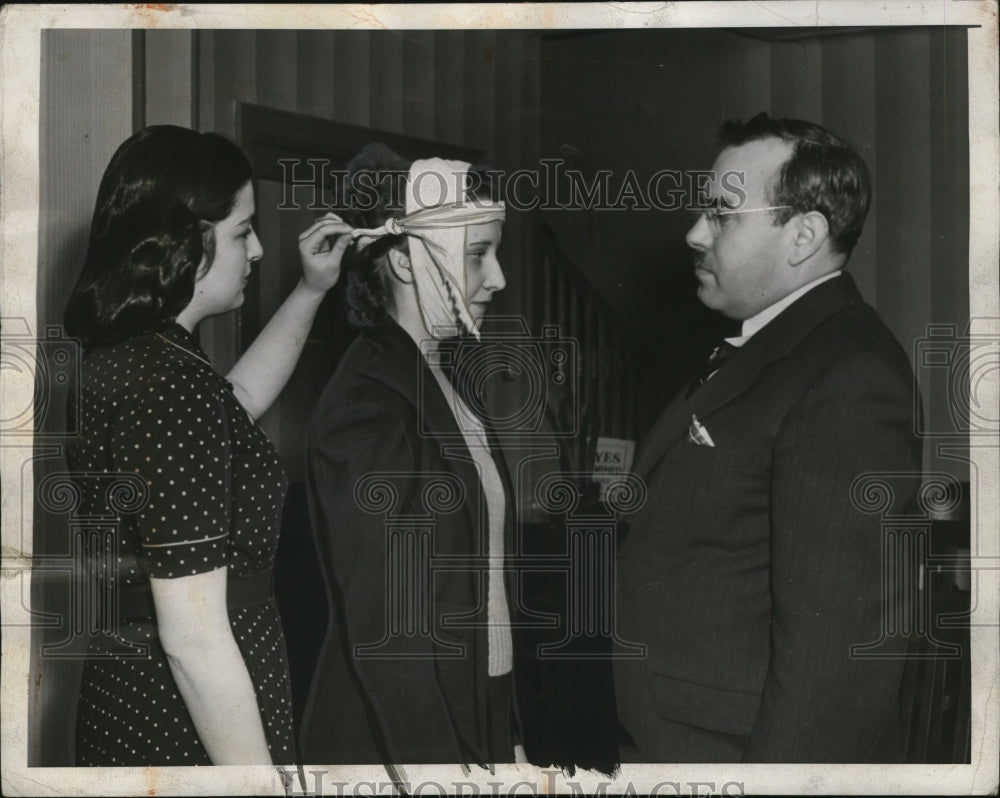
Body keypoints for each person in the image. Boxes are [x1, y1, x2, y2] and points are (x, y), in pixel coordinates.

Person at [613, 114, 922, 762]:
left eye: (723, 214)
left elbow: (836, 669)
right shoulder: (767, 346)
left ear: (803, 234)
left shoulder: (849, 376)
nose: (695, 234)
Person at [62, 125, 350, 766]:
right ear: (188, 241)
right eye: (244, 230)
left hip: (133, 690)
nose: (257, 251)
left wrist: (310, 291)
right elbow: (194, 638)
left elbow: (234, 406)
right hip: (191, 721)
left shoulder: (131, 356)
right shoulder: (170, 385)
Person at [301, 144, 525, 766]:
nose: (498, 277)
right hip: (409, 739)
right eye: (478, 254)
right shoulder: (368, 406)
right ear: (404, 262)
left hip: (479, 705)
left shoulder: (442, 379)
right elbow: (391, 636)